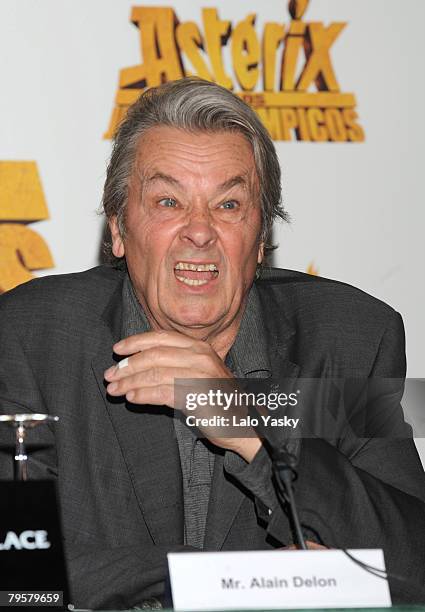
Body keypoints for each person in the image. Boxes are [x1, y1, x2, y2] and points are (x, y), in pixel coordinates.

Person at [0, 77, 425, 610]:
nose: (198, 231)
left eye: (228, 205)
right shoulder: (30, 339)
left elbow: (413, 563)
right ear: (118, 228)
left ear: (262, 233)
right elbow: (17, 575)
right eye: (168, 201)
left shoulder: (347, 342)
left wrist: (250, 426)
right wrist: (245, 580)